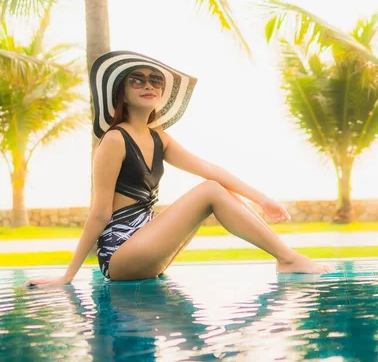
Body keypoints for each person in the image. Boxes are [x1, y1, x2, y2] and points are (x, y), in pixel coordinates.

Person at [25, 51, 332, 287]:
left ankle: (287, 257)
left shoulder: (160, 139)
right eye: (137, 80)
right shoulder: (115, 139)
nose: (148, 85)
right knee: (209, 191)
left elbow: (208, 167)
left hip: (147, 248)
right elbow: (100, 213)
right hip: (121, 255)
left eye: (154, 80)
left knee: (212, 186)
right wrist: (67, 275)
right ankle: (287, 258)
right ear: (121, 92)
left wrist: (263, 198)